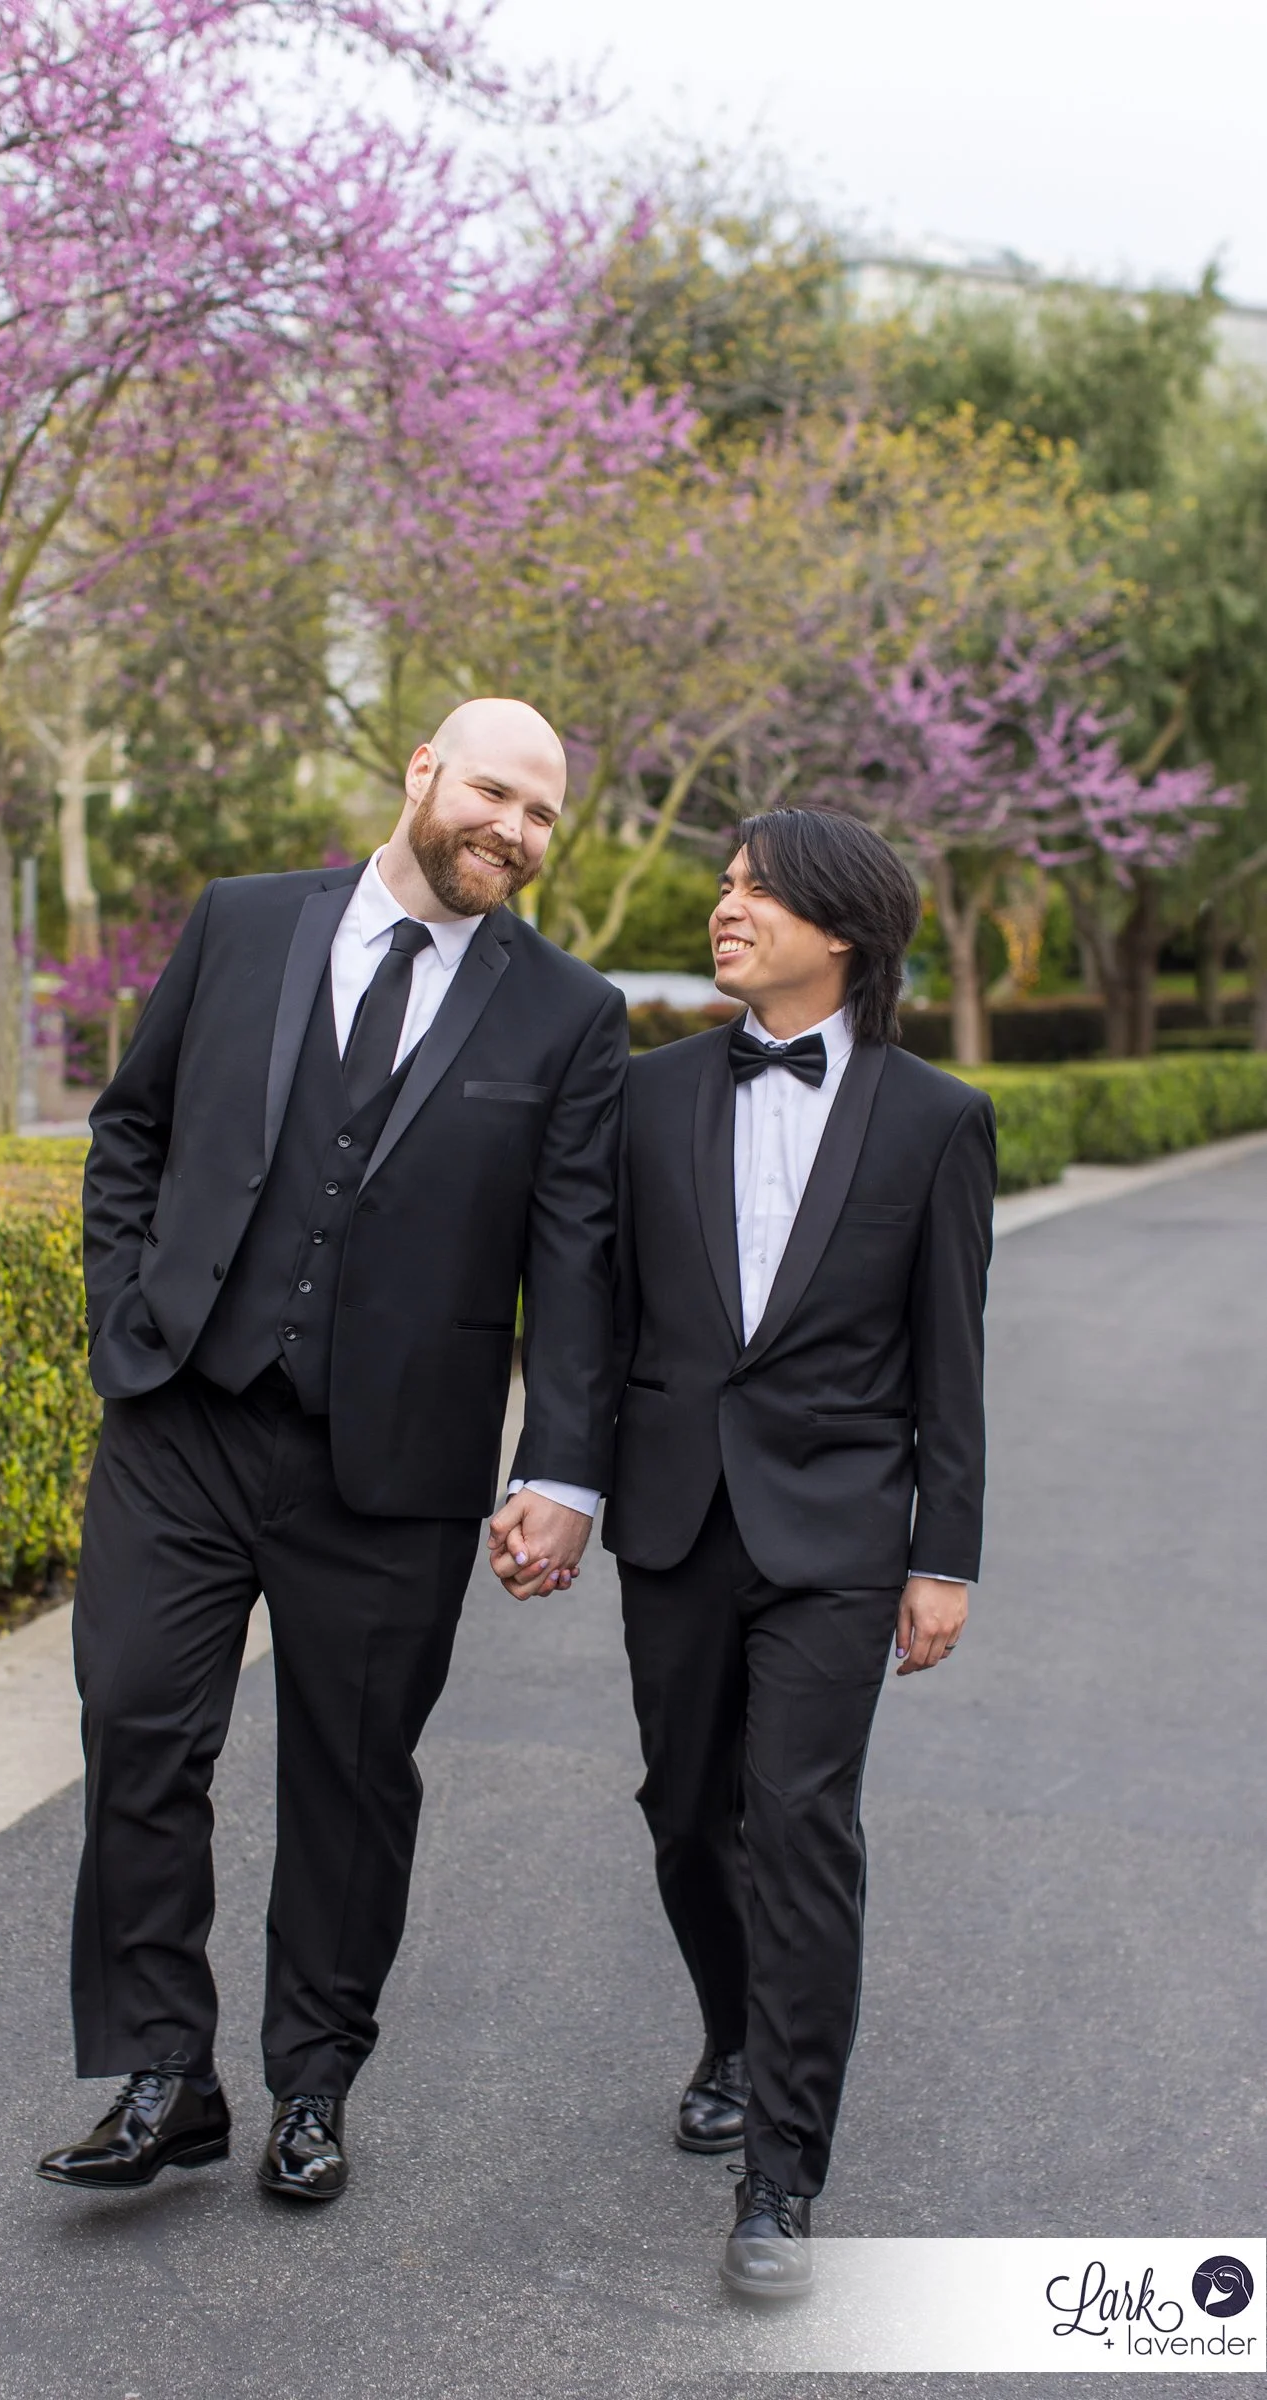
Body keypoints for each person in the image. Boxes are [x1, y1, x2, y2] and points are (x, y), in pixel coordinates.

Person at [38, 698, 627, 2204]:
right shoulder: (244, 924)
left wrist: (559, 1467)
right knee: (137, 1732)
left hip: (395, 1469)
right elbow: (132, 1131)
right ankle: (164, 2070)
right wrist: (128, 1320)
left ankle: (314, 2085)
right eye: (495, 791)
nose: (514, 829)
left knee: (355, 1781)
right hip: (184, 1424)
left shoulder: (569, 1014)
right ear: (422, 771)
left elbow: (574, 1261)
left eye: (544, 813)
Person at [594, 807, 995, 2297]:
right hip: (678, 1516)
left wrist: (941, 1554)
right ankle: (733, 2027)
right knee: (688, 1814)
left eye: (758, 890)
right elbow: (606, 1319)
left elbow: (952, 1359)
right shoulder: (646, 1100)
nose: (726, 905)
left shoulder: (936, 1119)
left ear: (842, 932)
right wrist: (564, 1476)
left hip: (837, 1535)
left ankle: (781, 2175)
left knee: (800, 1827)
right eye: (725, 883)